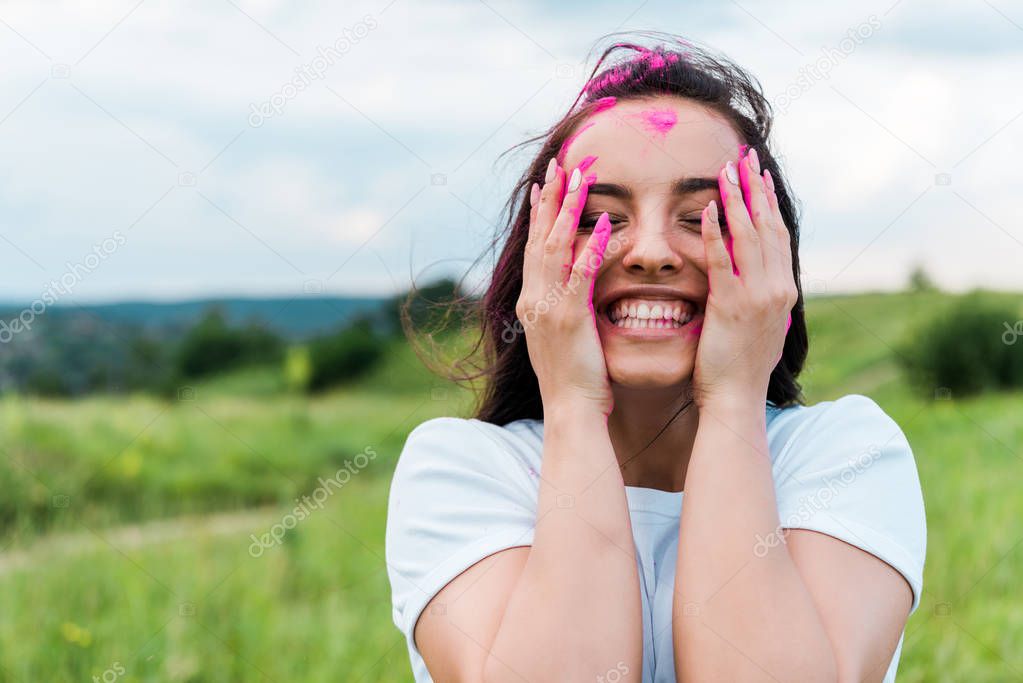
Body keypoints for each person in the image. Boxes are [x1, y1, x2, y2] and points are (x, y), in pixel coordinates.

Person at [386, 33, 926, 683]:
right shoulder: (460, 470)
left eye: (700, 215)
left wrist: (730, 399)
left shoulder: (844, 455)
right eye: (595, 216)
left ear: (772, 256)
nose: (649, 251)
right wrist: (573, 405)